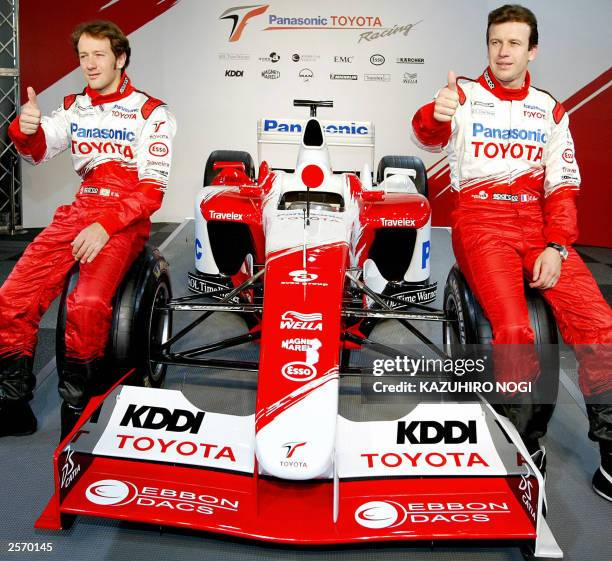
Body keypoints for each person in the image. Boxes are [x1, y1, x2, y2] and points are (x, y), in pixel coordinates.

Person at [411, 4, 612, 501]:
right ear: (488, 46)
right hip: (480, 221)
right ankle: (523, 443)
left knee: (600, 325)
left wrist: (558, 246)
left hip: (538, 225)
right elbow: (427, 134)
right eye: (496, 42)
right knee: (516, 329)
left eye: (514, 43)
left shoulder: (550, 109)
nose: (503, 51)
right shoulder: (462, 96)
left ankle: (610, 452)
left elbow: (562, 187)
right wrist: (435, 115)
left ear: (532, 50)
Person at [0, 20, 176, 440]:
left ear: (121, 57)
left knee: (87, 304)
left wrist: (105, 225)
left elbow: (151, 193)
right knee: (13, 296)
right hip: (80, 208)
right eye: (83, 55)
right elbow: (40, 151)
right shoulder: (75, 106)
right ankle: (12, 402)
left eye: (99, 54)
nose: (90, 64)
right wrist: (24, 132)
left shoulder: (153, 113)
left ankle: (78, 407)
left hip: (125, 217)